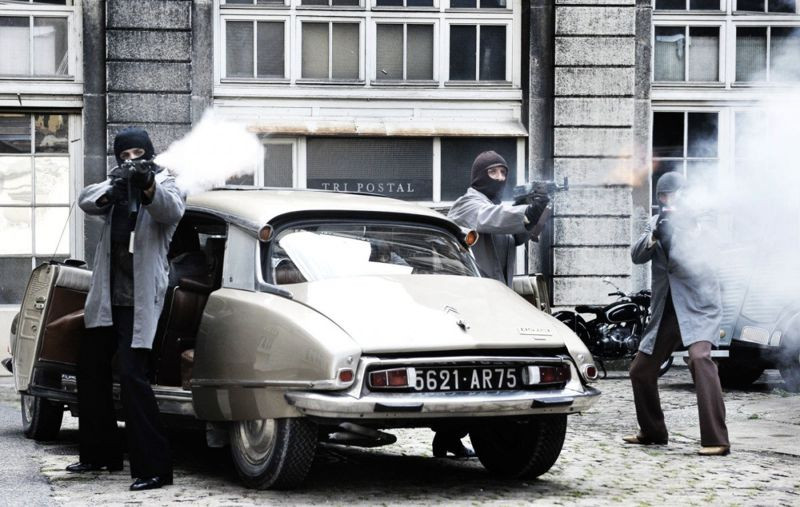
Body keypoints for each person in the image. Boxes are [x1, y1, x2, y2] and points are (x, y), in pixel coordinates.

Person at [68, 128, 186, 490]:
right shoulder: (116, 182)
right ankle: (99, 454)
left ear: (149, 153)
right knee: (90, 368)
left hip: (140, 301)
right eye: (124, 155)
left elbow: (170, 210)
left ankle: (155, 469)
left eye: (137, 153)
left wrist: (146, 184)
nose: (131, 160)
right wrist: (116, 188)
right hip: (108, 300)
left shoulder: (168, 183)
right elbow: (86, 200)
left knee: (134, 378)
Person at [433, 150, 550, 458]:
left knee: (486, 373)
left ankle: (451, 436)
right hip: (469, 303)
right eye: (493, 172)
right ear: (479, 176)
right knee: (469, 372)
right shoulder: (468, 204)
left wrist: (542, 208)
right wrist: (526, 209)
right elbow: (490, 220)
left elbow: (521, 235)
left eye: (503, 172)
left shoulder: (498, 209)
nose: (500, 178)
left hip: (496, 302)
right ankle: (449, 434)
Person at [626, 171, 729, 456]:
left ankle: (717, 439)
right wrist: (656, 235)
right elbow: (636, 256)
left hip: (699, 306)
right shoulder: (655, 221)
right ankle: (653, 432)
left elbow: (711, 253)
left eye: (672, 195)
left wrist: (684, 229)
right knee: (640, 370)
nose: (667, 200)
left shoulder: (703, 220)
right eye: (663, 195)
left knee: (700, 358)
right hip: (667, 309)